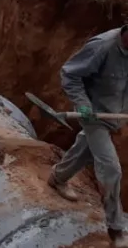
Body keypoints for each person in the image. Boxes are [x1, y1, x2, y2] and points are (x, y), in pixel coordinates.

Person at [49, 25, 128, 247]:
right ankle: (116, 230)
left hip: (114, 114)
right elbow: (70, 74)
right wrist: (83, 105)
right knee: (111, 169)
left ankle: (57, 177)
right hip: (93, 115)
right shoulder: (102, 46)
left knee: (85, 150)